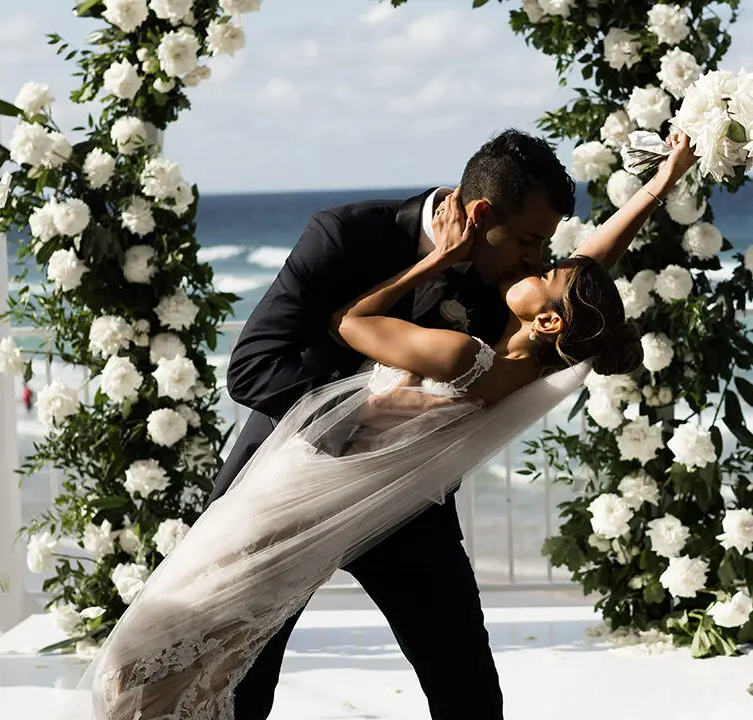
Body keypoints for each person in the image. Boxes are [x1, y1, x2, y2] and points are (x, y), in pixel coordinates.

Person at [70, 130, 696, 720]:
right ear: (480, 216)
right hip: (292, 491)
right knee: (228, 672)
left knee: (463, 680)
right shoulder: (346, 235)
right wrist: (363, 425)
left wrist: (657, 188)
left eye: (542, 250)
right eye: (530, 242)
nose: (537, 259)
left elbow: (583, 277)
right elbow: (253, 369)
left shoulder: (515, 289)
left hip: (405, 504)